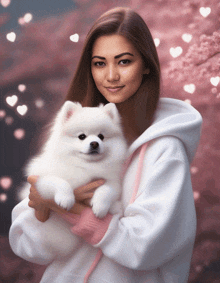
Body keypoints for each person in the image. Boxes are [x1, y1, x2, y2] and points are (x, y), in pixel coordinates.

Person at [9, 7, 202, 283]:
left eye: (124, 62)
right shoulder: (74, 134)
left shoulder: (165, 149)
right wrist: (42, 211)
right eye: (100, 63)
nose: (111, 75)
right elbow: (29, 246)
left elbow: (145, 247)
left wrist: (74, 213)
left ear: (146, 64)